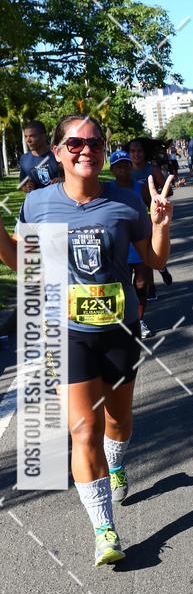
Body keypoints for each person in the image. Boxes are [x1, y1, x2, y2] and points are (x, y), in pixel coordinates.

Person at [0, 114, 172, 566]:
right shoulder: (39, 205)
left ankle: (116, 464)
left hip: (119, 328)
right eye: (75, 143)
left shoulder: (126, 200)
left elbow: (153, 259)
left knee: (118, 423)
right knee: (83, 429)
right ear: (57, 152)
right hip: (65, 331)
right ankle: (104, 527)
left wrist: (160, 222)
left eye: (94, 143)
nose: (86, 151)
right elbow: (25, 265)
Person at [109, 149, 154, 340]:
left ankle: (139, 321)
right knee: (121, 286)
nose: (122, 169)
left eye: (125, 165)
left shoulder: (141, 187)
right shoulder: (107, 189)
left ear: (130, 167)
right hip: (118, 243)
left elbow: (152, 207)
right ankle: (122, 323)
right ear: (112, 169)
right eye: (118, 166)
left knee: (142, 285)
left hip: (140, 241)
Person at [127, 137, 173, 291]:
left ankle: (154, 282)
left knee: (149, 250)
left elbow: (169, 190)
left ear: (144, 153)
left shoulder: (151, 170)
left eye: (139, 151)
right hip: (131, 218)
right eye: (133, 151)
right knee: (138, 254)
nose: (136, 154)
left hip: (150, 216)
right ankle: (157, 274)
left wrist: (156, 197)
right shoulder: (126, 171)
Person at [19, 121, 60, 192]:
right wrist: (27, 187)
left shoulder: (58, 154)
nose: (28, 140)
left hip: (58, 200)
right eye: (26, 136)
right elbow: (22, 185)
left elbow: (74, 177)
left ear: (43, 137)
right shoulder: (24, 159)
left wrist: (61, 180)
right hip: (36, 201)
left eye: (32, 136)